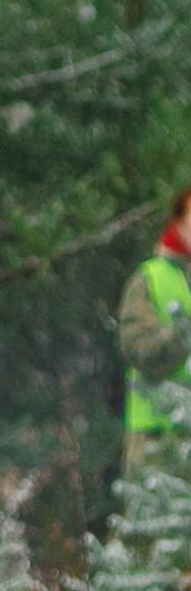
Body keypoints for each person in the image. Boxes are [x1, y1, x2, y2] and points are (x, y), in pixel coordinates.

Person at [119, 187, 191, 471]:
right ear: (177, 221)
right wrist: (181, 334)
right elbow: (140, 350)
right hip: (158, 443)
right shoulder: (149, 279)